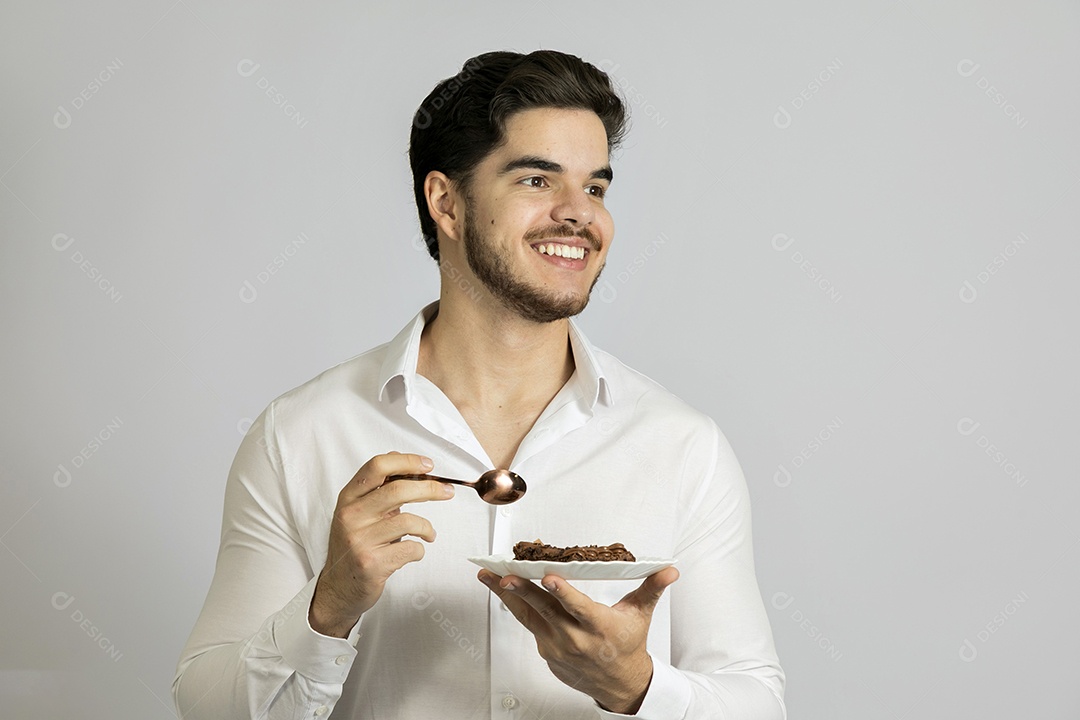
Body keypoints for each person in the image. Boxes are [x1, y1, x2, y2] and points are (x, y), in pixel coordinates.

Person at [173, 49, 785, 719]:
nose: (579, 215)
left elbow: (755, 702)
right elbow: (209, 707)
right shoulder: (301, 435)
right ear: (447, 202)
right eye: (536, 180)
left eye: (597, 187)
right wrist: (328, 605)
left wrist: (636, 686)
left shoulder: (682, 448)